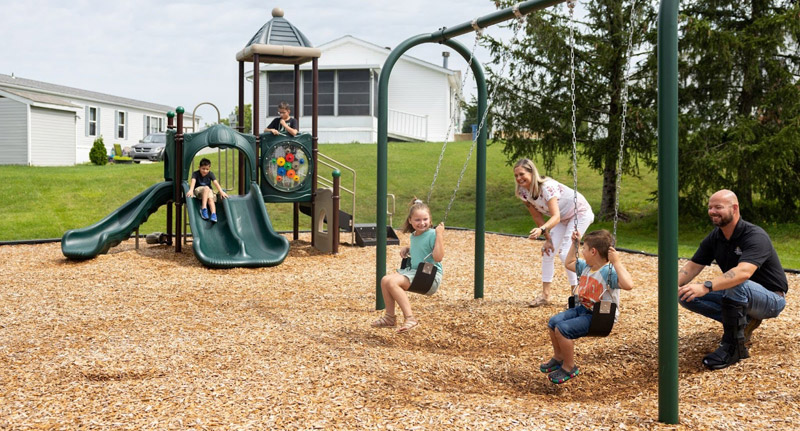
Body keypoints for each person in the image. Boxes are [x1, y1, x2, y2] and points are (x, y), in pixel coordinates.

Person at [678, 189, 788, 370]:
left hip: (771, 299)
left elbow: (743, 272)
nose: (712, 211)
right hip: (740, 292)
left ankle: (733, 347)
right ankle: (741, 323)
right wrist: (670, 286)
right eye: (710, 207)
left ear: (734, 208)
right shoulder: (715, 237)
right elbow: (692, 267)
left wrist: (706, 286)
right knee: (685, 295)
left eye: (718, 207)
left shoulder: (754, 236)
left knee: (737, 282)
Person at [540, 229, 633, 384]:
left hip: (600, 316)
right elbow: (569, 262)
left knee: (562, 330)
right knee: (553, 323)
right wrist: (575, 244)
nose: (582, 251)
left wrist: (616, 262)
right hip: (583, 308)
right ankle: (559, 357)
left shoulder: (608, 272)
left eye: (584, 248)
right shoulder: (586, 267)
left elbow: (629, 285)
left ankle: (570, 367)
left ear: (593, 251)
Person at [513, 158, 595, 307]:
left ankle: (576, 293)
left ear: (532, 172)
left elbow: (555, 216)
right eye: (516, 176)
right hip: (563, 218)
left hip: (579, 213)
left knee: (565, 254)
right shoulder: (523, 192)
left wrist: (542, 229)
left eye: (522, 174)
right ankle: (545, 295)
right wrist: (548, 239)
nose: (519, 178)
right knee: (548, 251)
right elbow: (537, 216)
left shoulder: (547, 187)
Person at [371, 199, 445, 333]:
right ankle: (389, 317)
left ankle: (410, 318)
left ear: (430, 219)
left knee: (393, 283)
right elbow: (422, 248)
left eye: (425, 219)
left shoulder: (433, 234)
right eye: (417, 220)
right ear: (410, 220)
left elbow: (438, 257)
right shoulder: (414, 235)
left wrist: (439, 235)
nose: (422, 223)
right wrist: (409, 248)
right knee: (385, 280)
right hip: (416, 272)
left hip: (430, 277)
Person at [186, 158, 228, 223]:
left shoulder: (210, 174)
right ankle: (203, 208)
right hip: (199, 191)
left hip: (208, 191)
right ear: (199, 167)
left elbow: (215, 183)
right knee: (206, 188)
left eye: (207, 169)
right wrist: (191, 190)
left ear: (209, 168)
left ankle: (213, 214)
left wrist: (221, 191)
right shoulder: (195, 173)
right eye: (203, 169)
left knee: (210, 199)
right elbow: (193, 181)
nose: (205, 171)